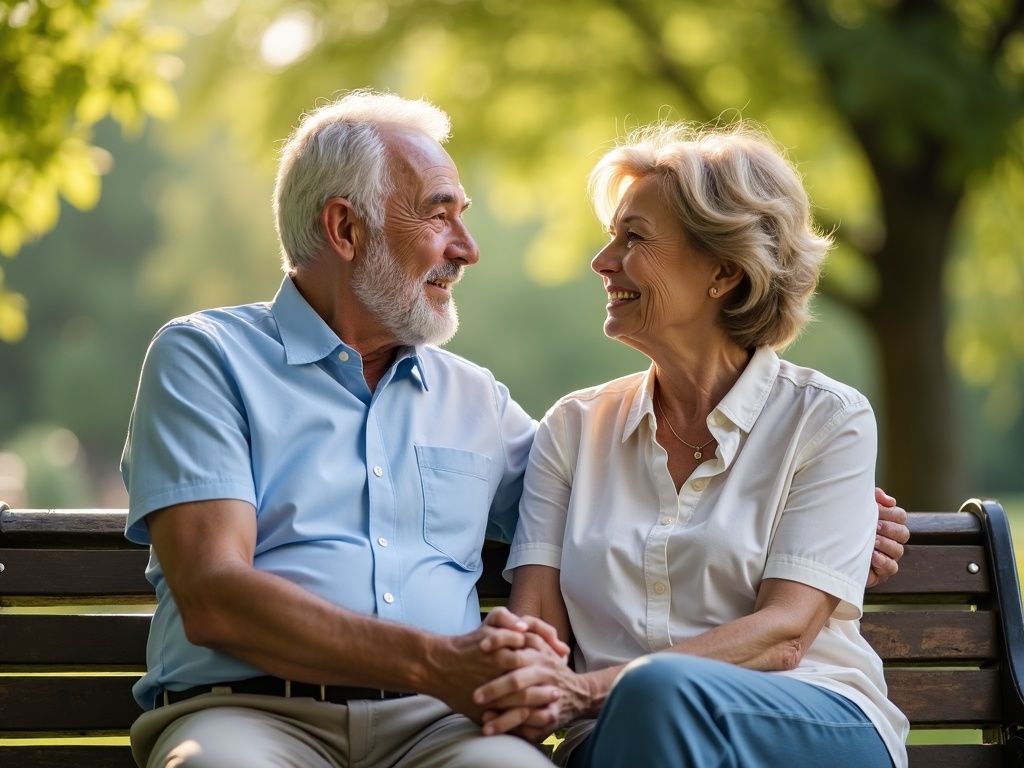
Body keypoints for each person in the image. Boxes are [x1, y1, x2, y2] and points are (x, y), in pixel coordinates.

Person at [121, 91, 907, 768]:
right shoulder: (208, 358)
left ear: (723, 271)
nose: (468, 249)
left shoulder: (480, 402)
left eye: (632, 239)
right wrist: (444, 664)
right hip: (252, 712)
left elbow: (610, 509)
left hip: (437, 728)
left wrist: (837, 527)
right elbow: (214, 596)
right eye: (440, 217)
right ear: (346, 228)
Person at [473, 122, 910, 768]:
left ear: (724, 273)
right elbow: (537, 625)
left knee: (653, 695)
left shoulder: (829, 420)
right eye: (610, 236)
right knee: (641, 714)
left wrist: (593, 689)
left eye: (634, 238)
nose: (602, 261)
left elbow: (785, 636)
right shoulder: (571, 429)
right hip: (627, 738)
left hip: (807, 721)